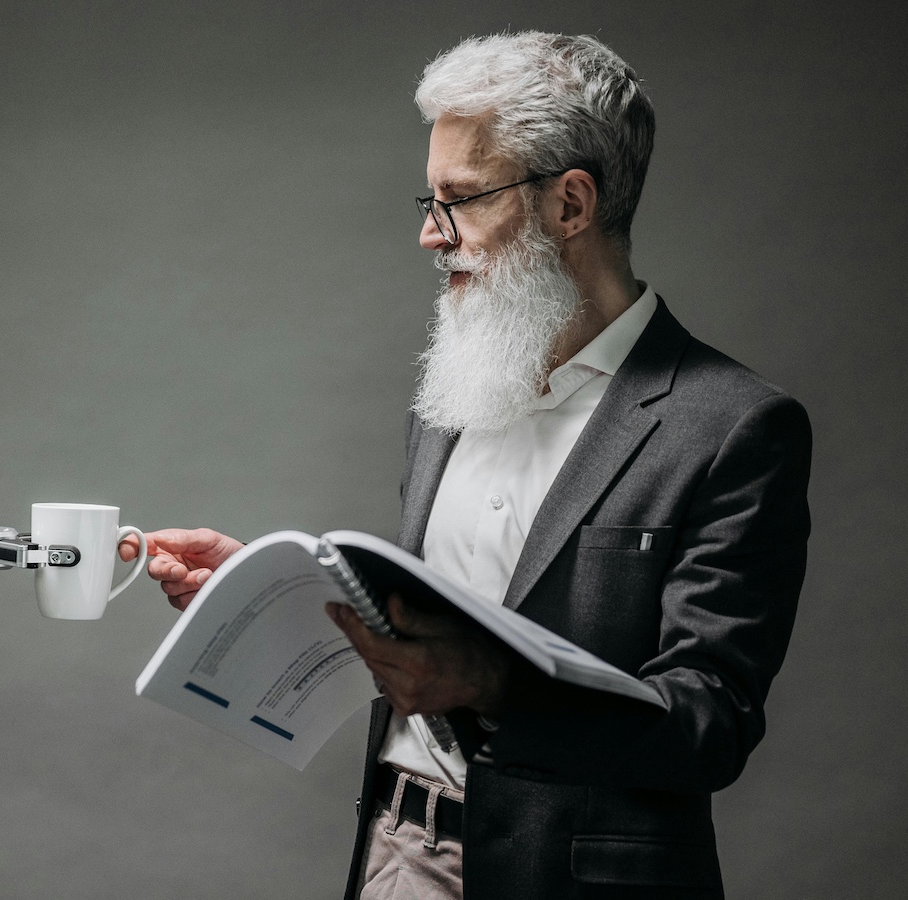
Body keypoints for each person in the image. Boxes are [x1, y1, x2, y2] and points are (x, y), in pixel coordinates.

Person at [120, 31, 810, 900]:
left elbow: (709, 724)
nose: (427, 233)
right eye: (429, 197)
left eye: (459, 199)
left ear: (570, 204)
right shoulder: (451, 390)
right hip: (394, 855)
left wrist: (495, 689)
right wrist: (283, 595)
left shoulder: (735, 425)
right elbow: (432, 637)